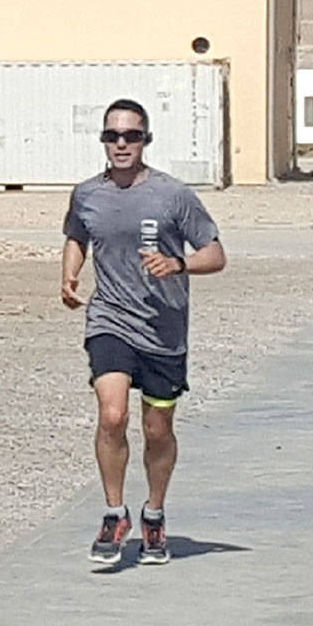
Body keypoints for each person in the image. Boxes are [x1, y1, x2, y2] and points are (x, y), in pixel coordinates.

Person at [62, 98, 227, 568]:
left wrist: (178, 263)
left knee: (158, 429)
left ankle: (153, 513)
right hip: (110, 319)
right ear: (102, 141)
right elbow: (77, 236)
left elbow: (215, 254)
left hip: (163, 330)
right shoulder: (87, 194)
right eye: (112, 136)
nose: (121, 144)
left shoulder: (173, 196)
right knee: (112, 415)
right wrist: (69, 275)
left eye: (131, 136)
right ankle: (115, 513)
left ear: (145, 141)